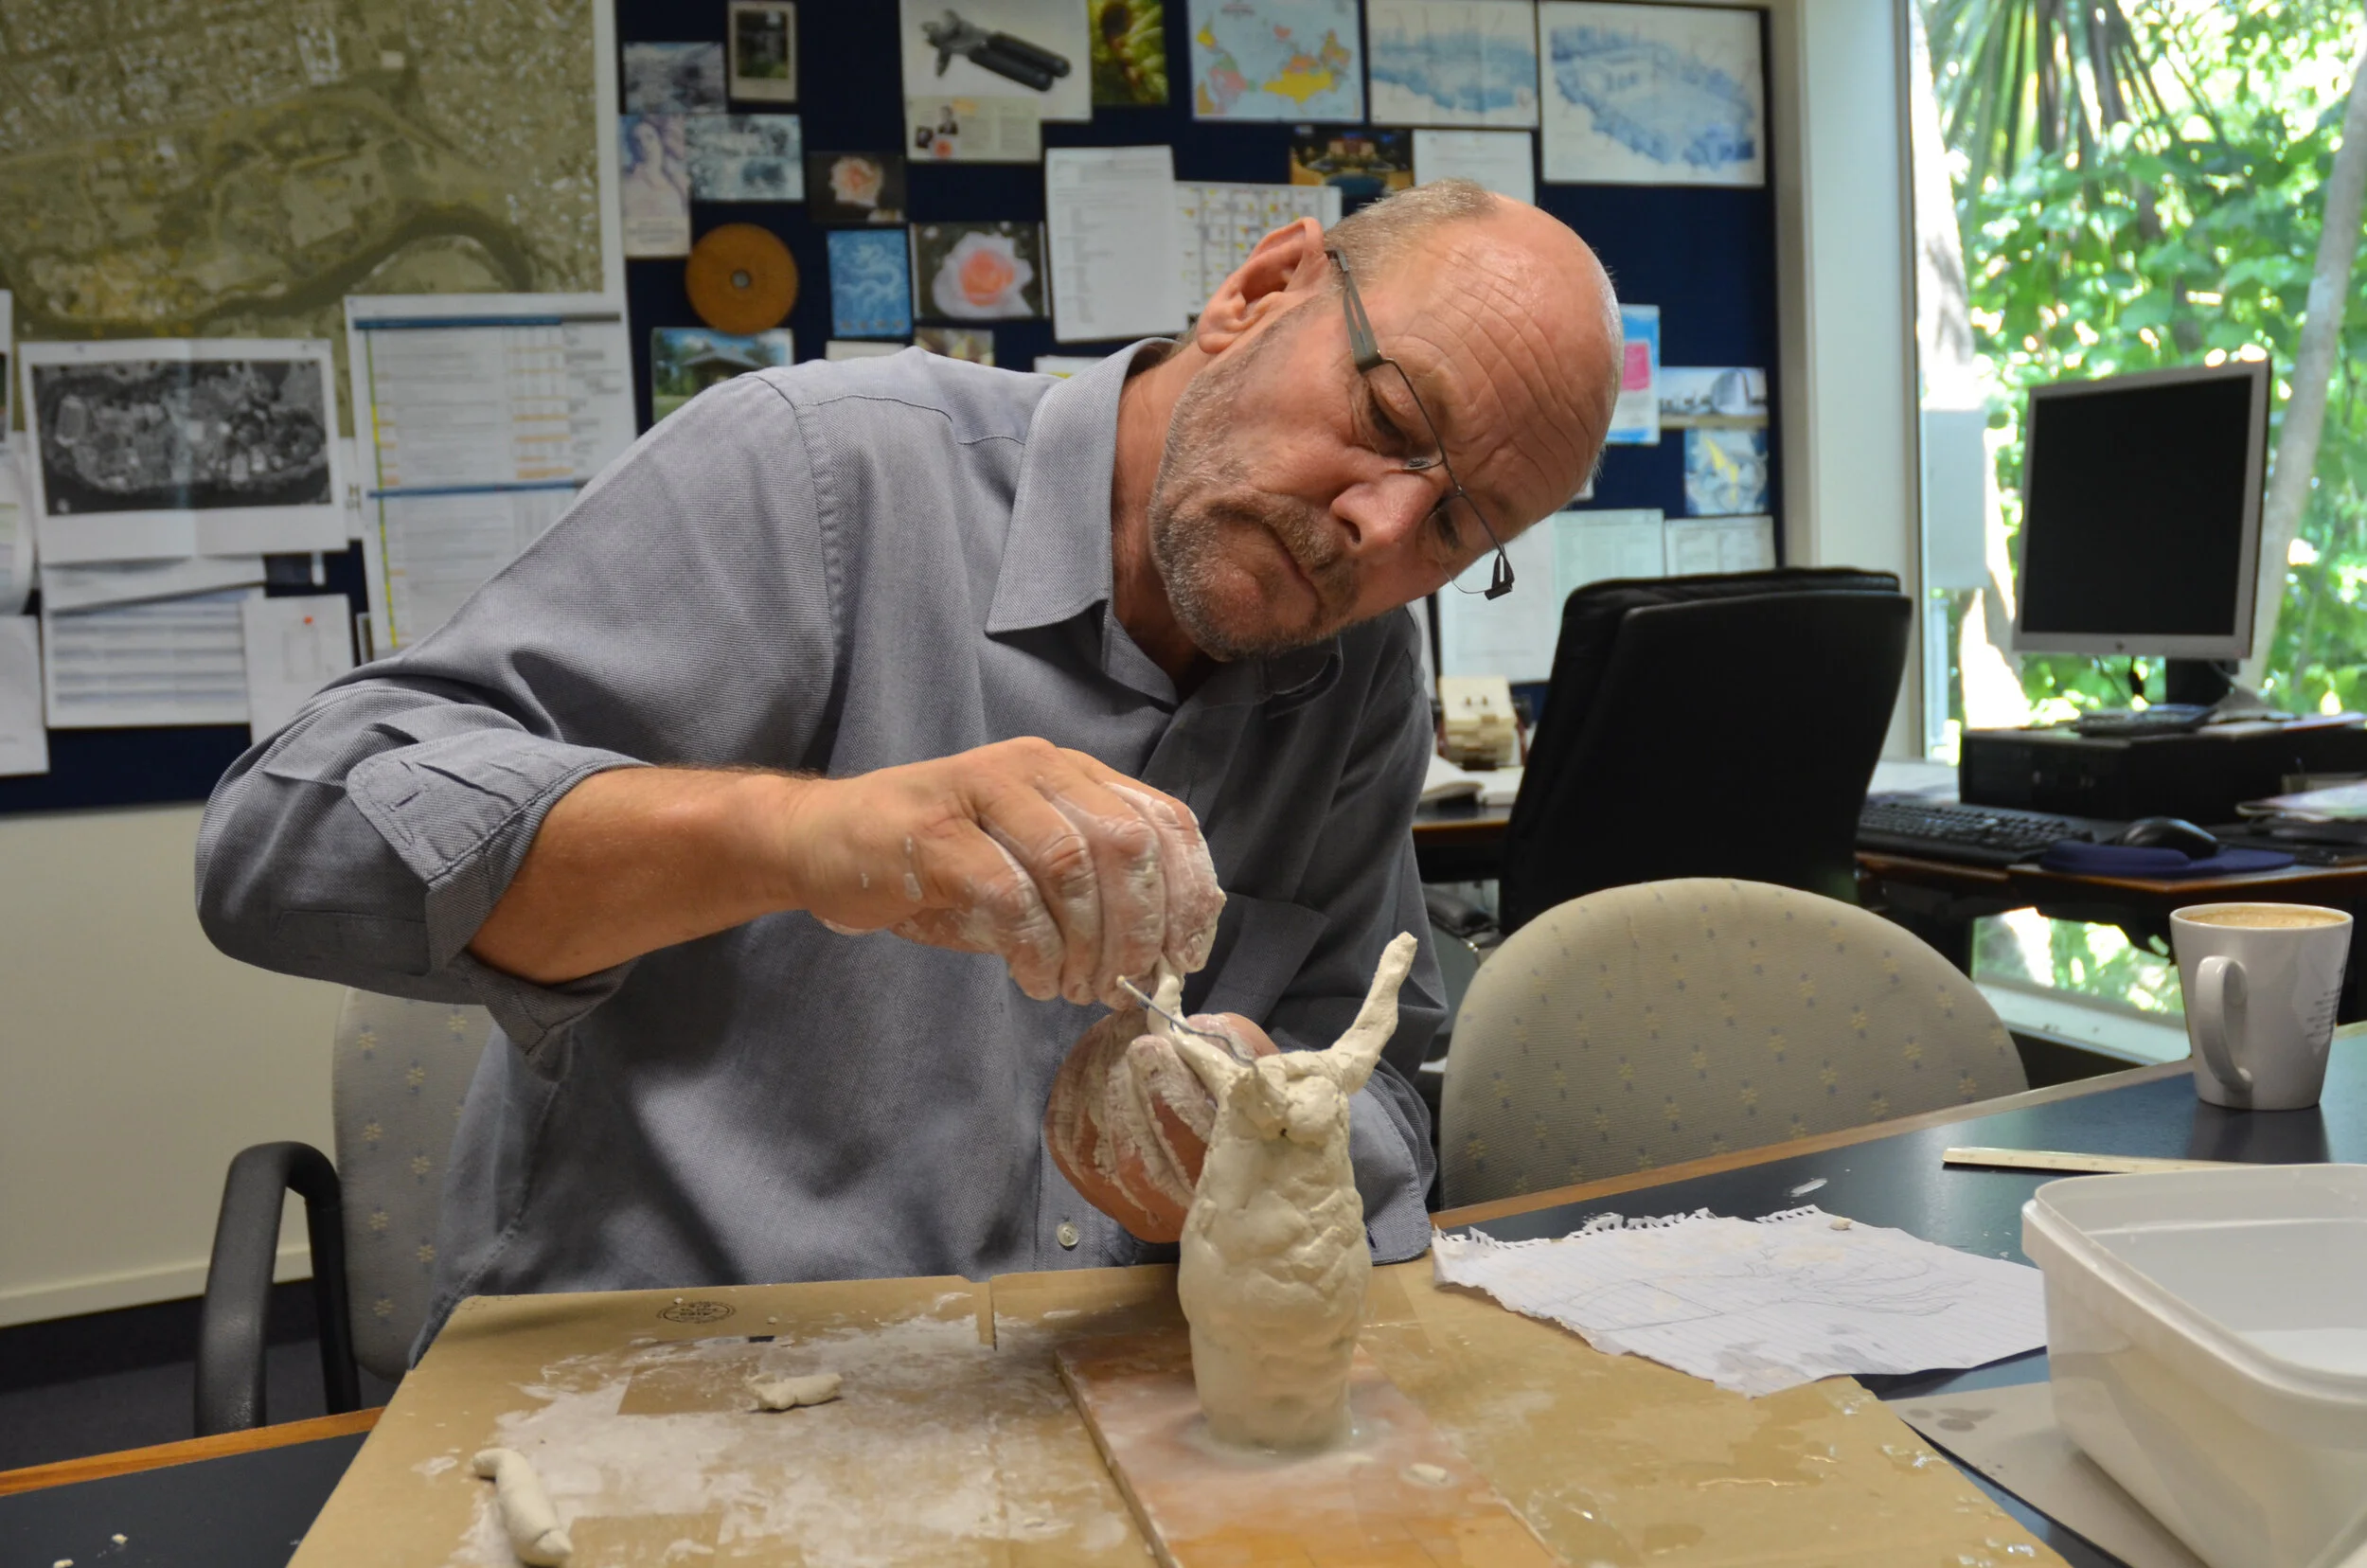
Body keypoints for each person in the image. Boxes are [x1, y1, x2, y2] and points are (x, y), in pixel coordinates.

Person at [196, 180, 1621, 1352]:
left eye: (1457, 533)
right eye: (1387, 420)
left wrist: (1269, 1119)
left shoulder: (1358, 667)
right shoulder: (819, 476)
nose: (1378, 531)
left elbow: (1382, 1082)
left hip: (1100, 1394)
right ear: (1259, 291)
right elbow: (283, 843)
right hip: (673, 1388)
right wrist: (810, 841)